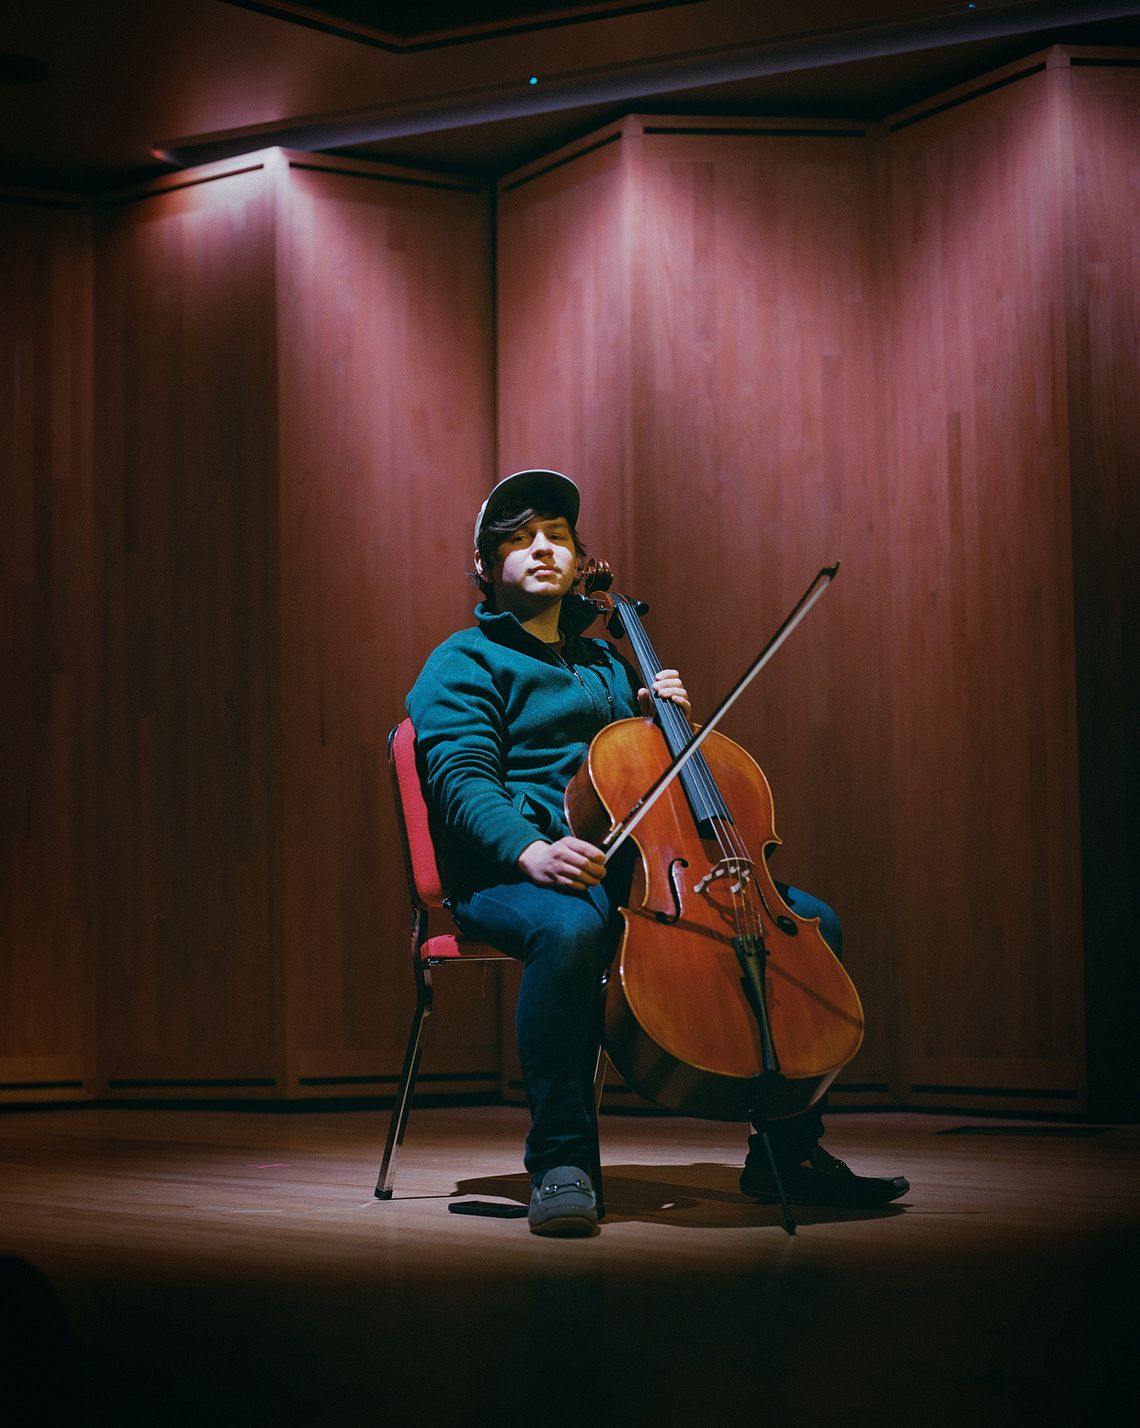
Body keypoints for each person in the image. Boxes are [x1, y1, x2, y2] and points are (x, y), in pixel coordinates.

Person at [407, 469, 909, 1236]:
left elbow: (639, 789)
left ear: (580, 560)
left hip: (629, 870)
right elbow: (460, 780)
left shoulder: (609, 664)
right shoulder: (463, 663)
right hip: (513, 873)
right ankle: (563, 1160)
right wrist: (530, 850)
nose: (544, 550)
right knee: (570, 932)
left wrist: (655, 720)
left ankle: (787, 1153)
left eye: (559, 537)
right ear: (483, 566)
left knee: (811, 924)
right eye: (519, 540)